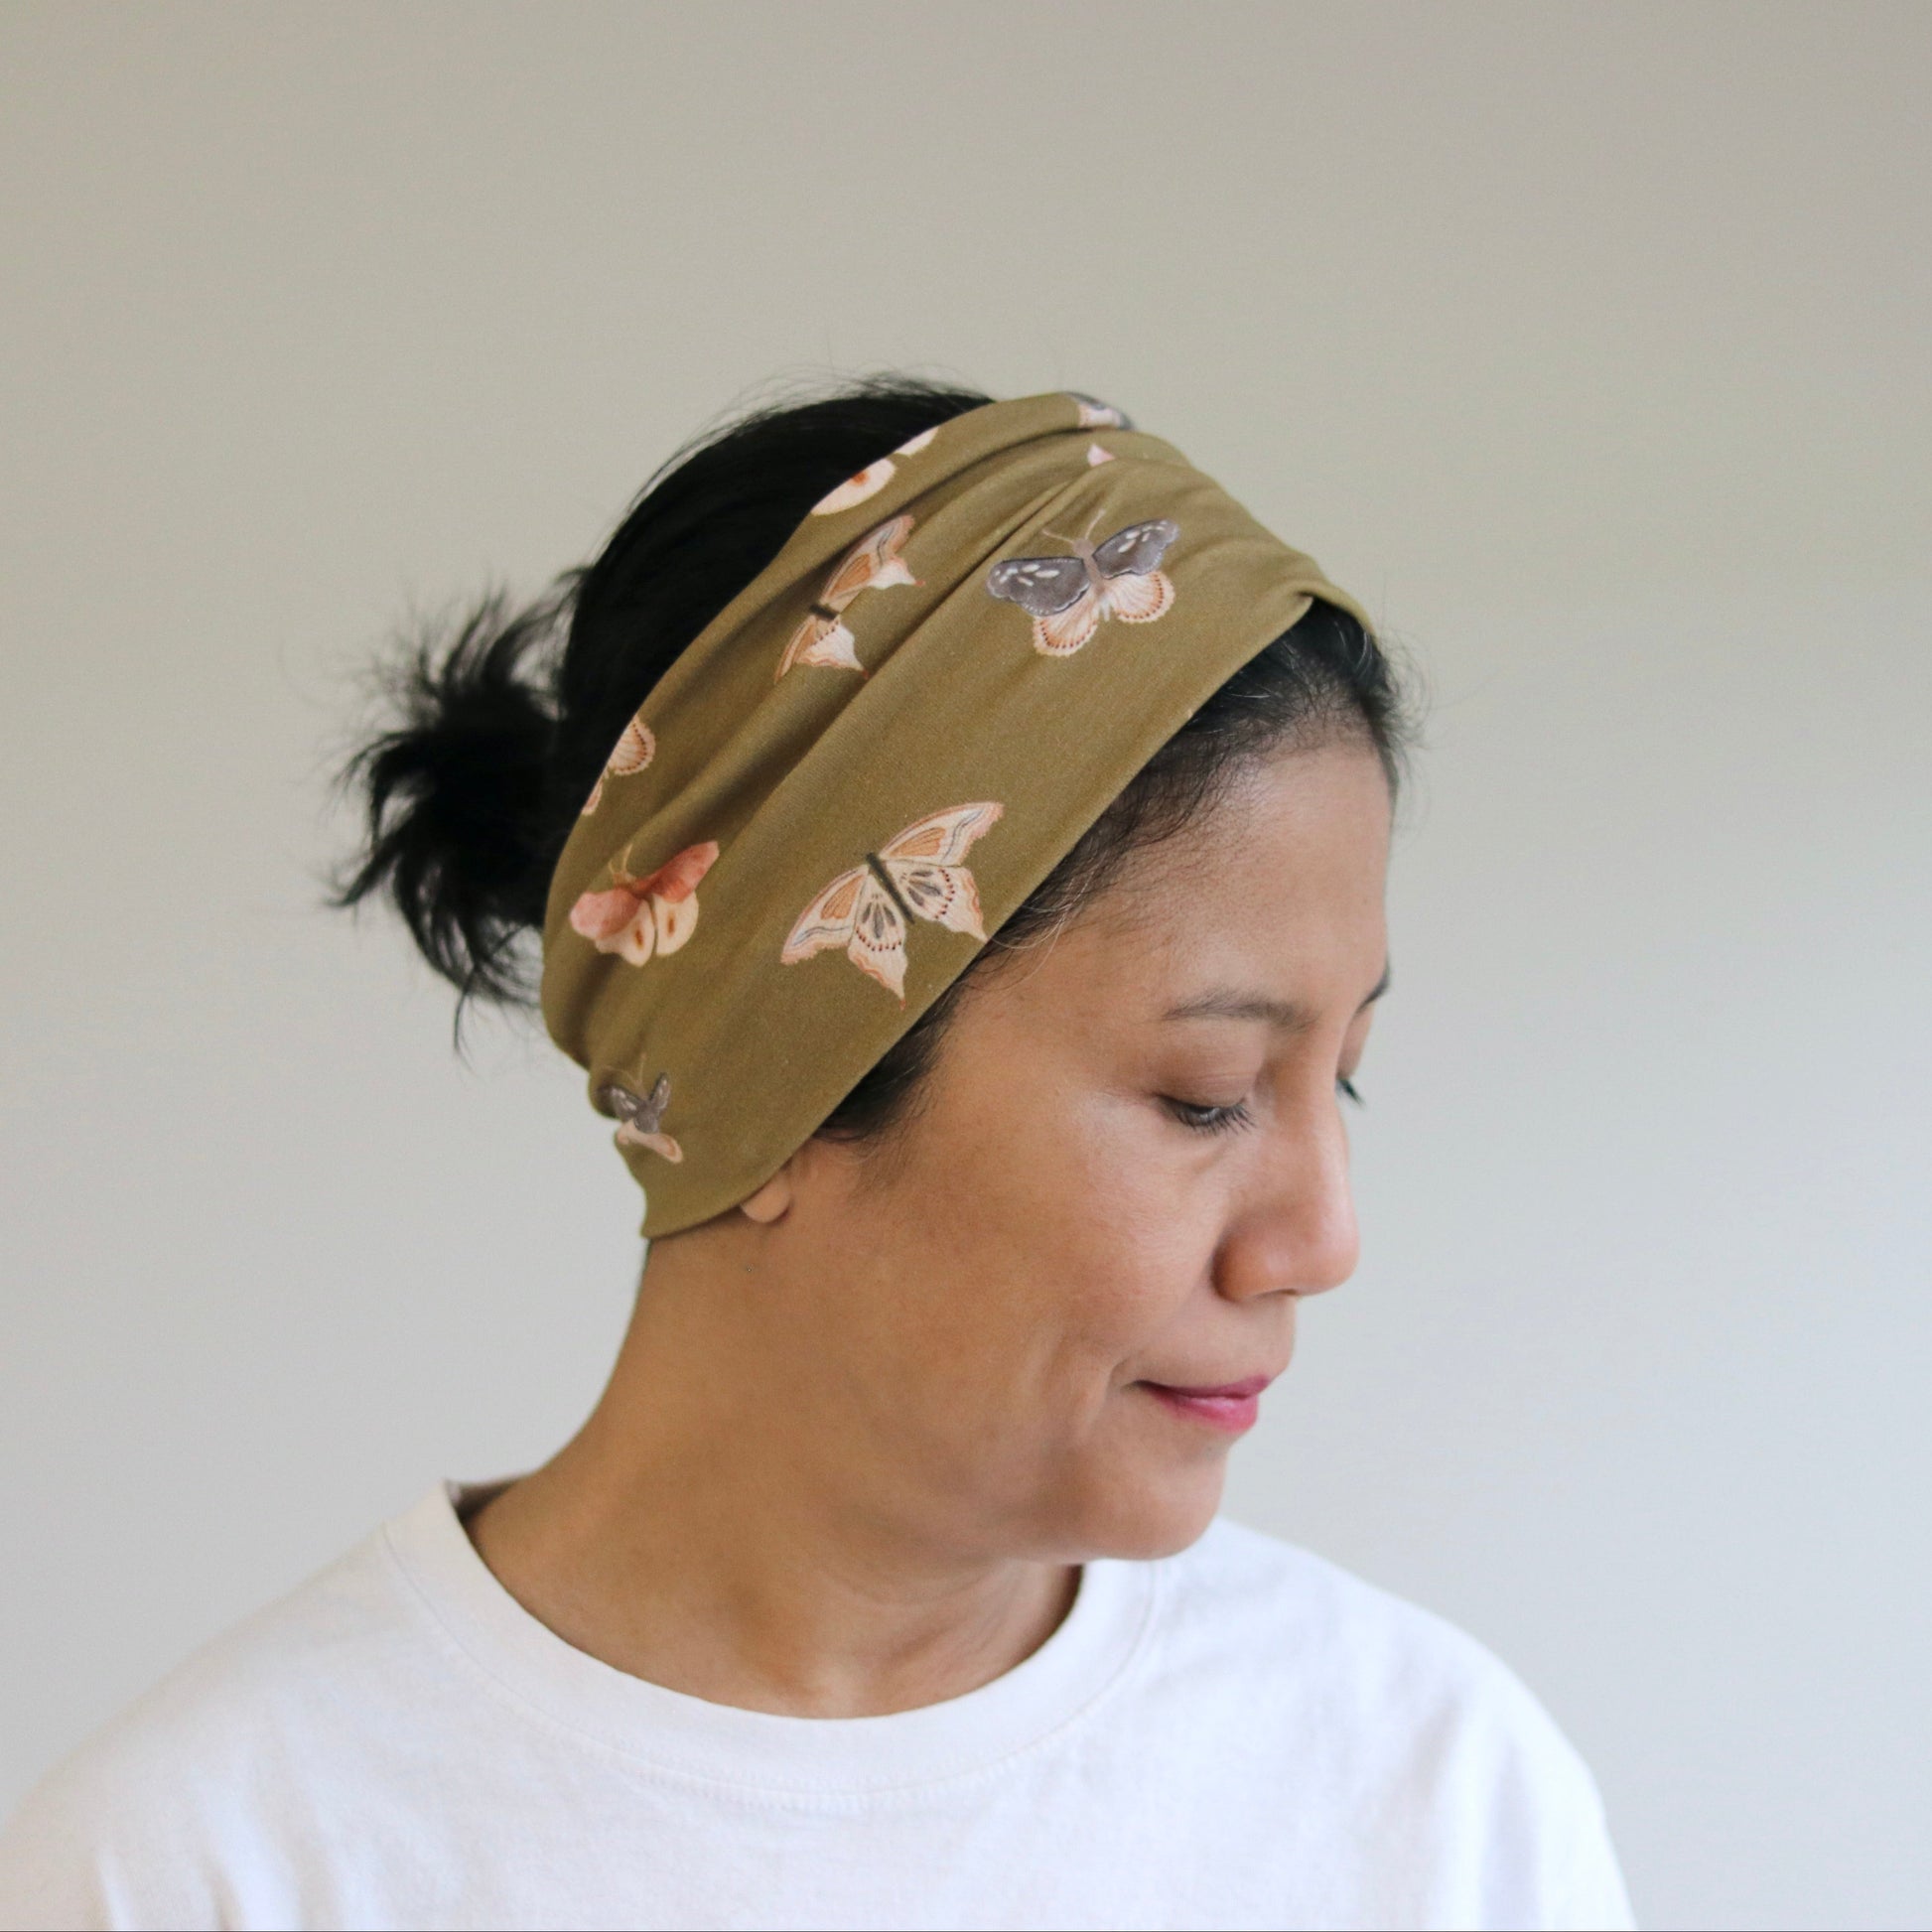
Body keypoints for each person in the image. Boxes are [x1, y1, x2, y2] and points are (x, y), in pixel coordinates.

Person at [0, 379, 1636, 1931]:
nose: (1321, 1239)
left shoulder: (1431, 1800)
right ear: (769, 1079)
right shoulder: (200, 1867)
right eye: (1205, 1095)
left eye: (1339, 1081)